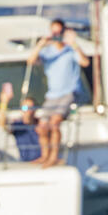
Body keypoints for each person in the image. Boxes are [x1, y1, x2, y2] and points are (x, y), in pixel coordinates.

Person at [25, 18, 90, 168]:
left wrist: (74, 43)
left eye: (59, 32)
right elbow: (30, 61)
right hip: (52, 95)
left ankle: (54, 157)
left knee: (54, 123)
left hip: (69, 92)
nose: (56, 35)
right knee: (41, 127)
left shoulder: (70, 50)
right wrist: (41, 44)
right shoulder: (47, 52)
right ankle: (45, 155)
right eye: (54, 32)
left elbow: (85, 62)